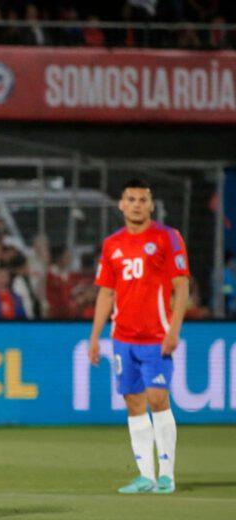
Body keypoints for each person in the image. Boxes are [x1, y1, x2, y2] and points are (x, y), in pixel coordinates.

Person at [88, 179, 189, 494]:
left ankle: (167, 475)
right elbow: (106, 292)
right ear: (121, 204)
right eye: (130, 199)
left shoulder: (167, 238)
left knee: (158, 399)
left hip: (156, 336)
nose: (136, 205)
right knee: (133, 403)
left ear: (151, 205)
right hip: (123, 338)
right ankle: (145, 475)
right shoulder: (112, 244)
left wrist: (174, 330)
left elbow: (182, 285)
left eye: (142, 200)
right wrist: (95, 336)